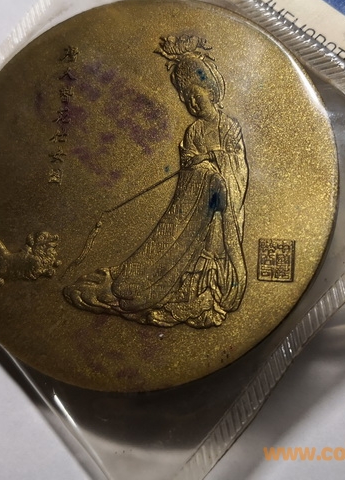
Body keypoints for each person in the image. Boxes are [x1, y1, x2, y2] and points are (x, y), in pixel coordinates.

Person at [64, 35, 249, 328]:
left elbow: (236, 167)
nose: (191, 102)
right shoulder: (193, 131)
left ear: (212, 92)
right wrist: (198, 165)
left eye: (196, 95)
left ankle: (202, 299)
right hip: (193, 204)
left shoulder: (229, 127)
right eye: (185, 97)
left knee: (211, 247)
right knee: (172, 239)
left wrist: (212, 161)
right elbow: (188, 165)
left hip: (218, 205)